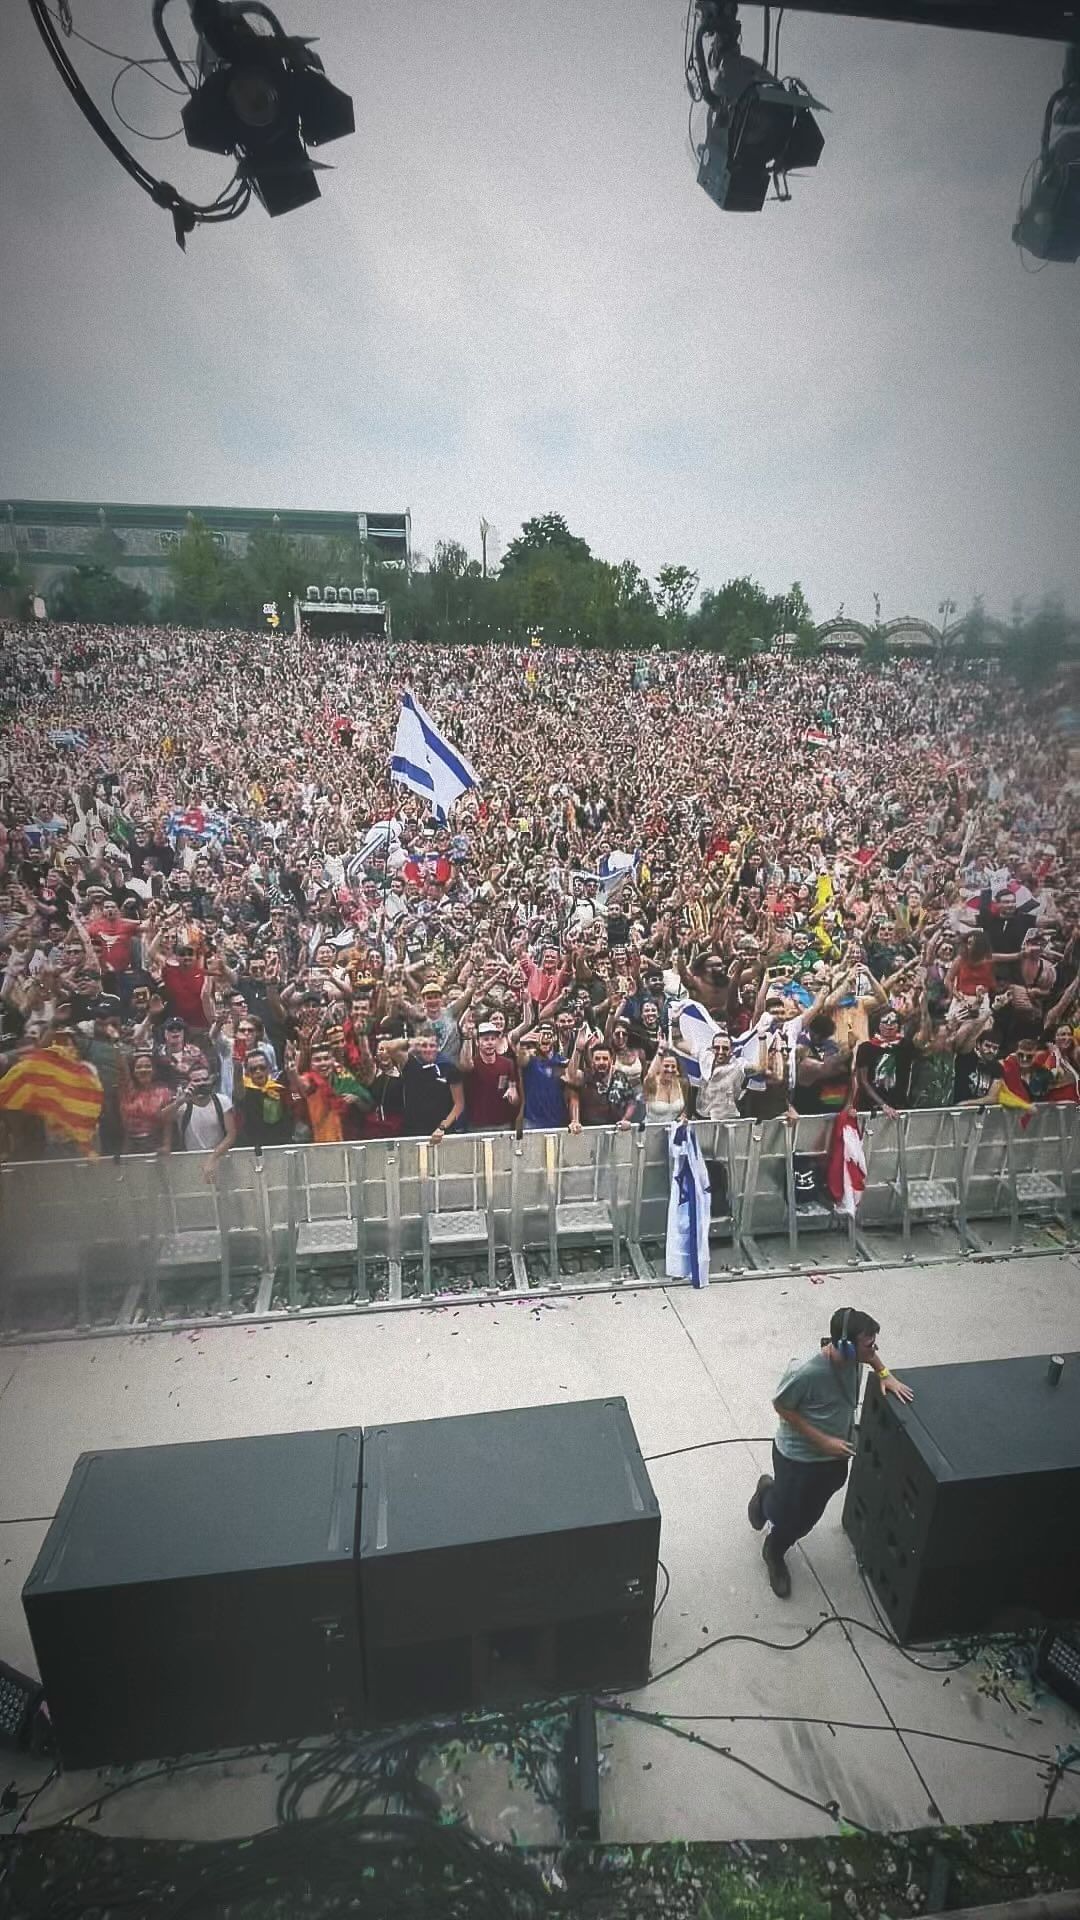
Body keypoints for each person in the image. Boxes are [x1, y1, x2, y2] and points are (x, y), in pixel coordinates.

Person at [748, 1307, 914, 1599]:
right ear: (846, 1346)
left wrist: (885, 1374)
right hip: (798, 1459)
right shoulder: (806, 1371)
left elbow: (872, 1357)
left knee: (808, 1518)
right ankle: (772, 1542)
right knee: (789, 1517)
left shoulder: (855, 1356)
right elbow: (782, 1407)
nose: (874, 1350)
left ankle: (772, 1503)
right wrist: (823, 1441)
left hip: (833, 1457)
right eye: (869, 1345)